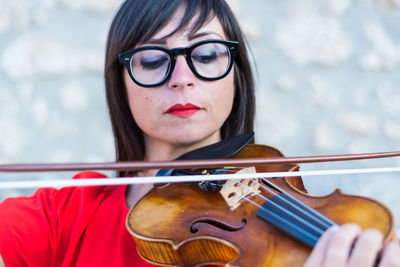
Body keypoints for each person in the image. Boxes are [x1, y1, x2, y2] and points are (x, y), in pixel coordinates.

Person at [0, 0, 399, 266]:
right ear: (121, 83)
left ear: (236, 76)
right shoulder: (70, 211)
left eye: (206, 55)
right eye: (154, 60)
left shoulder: (279, 212)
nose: (182, 79)